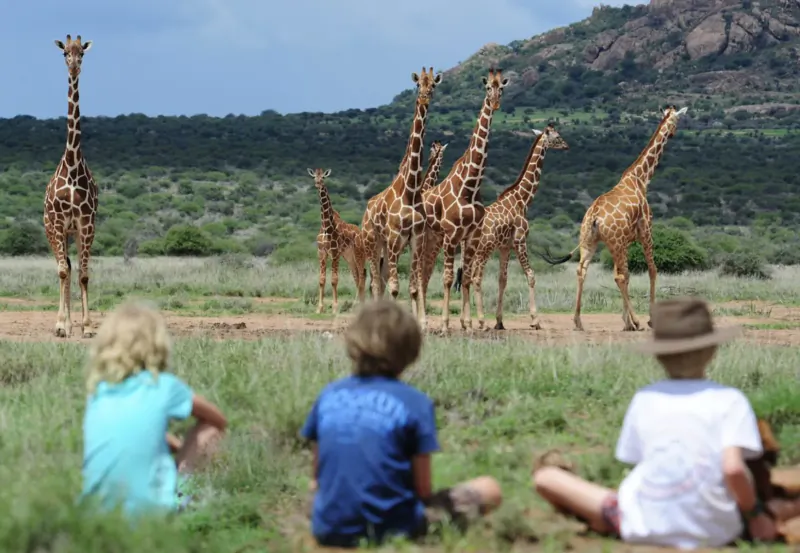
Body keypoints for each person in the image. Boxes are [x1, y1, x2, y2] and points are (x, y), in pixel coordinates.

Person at [532, 297, 778, 549]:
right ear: (712, 350)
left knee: (546, 477)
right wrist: (754, 514)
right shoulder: (731, 400)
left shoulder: (645, 398)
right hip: (716, 530)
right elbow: (734, 470)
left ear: (658, 355)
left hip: (639, 525)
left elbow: (638, 461)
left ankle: (599, 517)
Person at [300, 299, 502, 548]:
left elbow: (317, 478)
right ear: (411, 351)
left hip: (328, 527)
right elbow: (423, 489)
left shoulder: (328, 395)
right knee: (489, 488)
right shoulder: (415, 403)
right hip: (396, 528)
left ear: (353, 343)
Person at [81, 300, 227, 516]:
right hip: (152, 517)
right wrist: (184, 447)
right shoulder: (164, 386)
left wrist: (170, 442)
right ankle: (183, 499)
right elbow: (219, 420)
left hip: (93, 516)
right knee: (212, 430)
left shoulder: (96, 392)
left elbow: (127, 425)